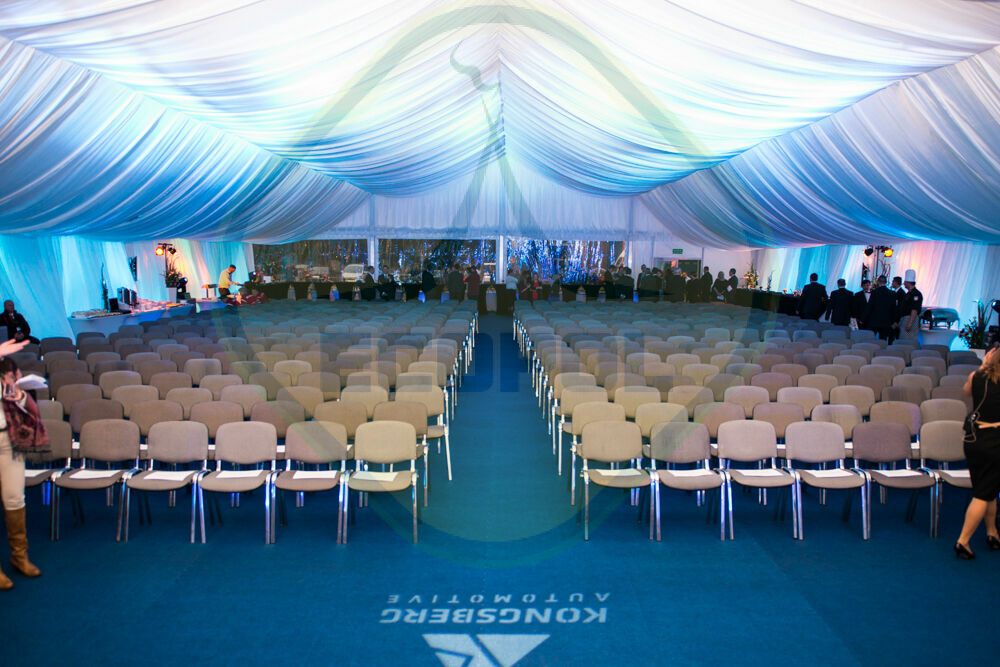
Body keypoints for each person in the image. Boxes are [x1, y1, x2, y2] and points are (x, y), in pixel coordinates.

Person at [0, 357, 47, 590]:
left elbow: (33, 411)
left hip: (9, 440)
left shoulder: (11, 377)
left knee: (15, 498)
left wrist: (19, 395)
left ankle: (19, 555)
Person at [954, 344, 1000, 559]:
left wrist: (983, 366)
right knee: (983, 494)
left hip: (974, 440)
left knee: (986, 488)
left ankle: (992, 533)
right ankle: (963, 541)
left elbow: (967, 392)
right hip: (994, 442)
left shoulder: (977, 376)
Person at [865, 275, 897, 342]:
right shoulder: (892, 293)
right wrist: (894, 321)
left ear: (878, 282)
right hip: (886, 322)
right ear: (886, 282)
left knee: (871, 340)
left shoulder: (874, 292)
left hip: (874, 321)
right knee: (883, 341)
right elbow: (894, 309)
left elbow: (870, 306)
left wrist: (864, 318)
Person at [897, 269, 923, 341]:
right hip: (905, 319)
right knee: (903, 339)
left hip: (910, 319)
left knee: (908, 340)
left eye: (905, 282)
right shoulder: (908, 293)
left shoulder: (916, 294)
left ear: (908, 283)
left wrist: (910, 323)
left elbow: (914, 309)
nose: (904, 283)